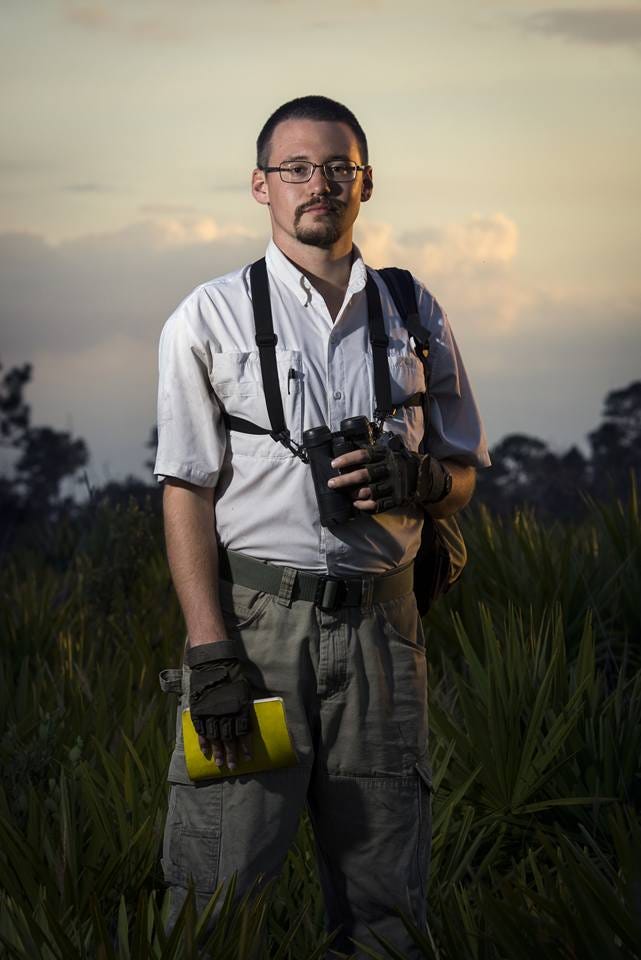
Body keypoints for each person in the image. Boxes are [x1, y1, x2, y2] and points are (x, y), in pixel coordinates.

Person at [154, 95, 490, 958]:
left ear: (365, 183)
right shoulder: (209, 314)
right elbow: (185, 488)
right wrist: (208, 652)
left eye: (338, 167)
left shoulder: (412, 311)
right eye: (297, 168)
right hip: (255, 631)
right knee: (215, 899)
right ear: (261, 186)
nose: (320, 184)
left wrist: (418, 479)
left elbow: (461, 476)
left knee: (388, 908)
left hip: (385, 628)